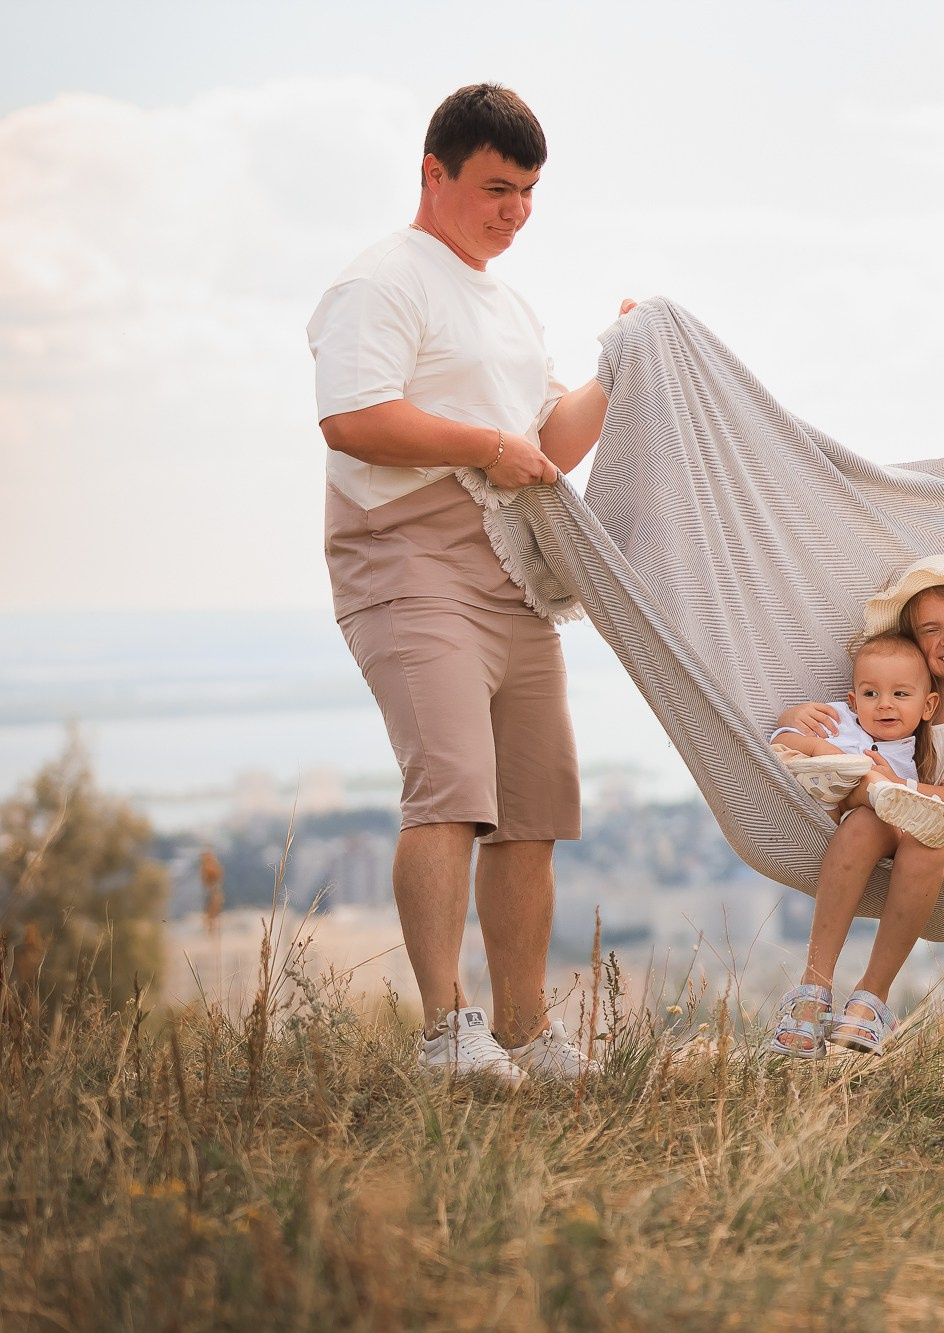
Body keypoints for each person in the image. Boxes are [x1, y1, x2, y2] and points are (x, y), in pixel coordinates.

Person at [307, 84, 627, 1086]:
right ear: (432, 173)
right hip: (406, 561)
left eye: (528, 192)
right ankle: (449, 1028)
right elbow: (353, 418)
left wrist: (621, 365)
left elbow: (548, 445)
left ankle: (526, 1032)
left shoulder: (511, 305)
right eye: (496, 187)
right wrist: (492, 445)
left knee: (533, 806)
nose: (514, 212)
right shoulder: (381, 280)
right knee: (450, 786)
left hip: (513, 580)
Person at [767, 557, 944, 1057]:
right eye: (930, 630)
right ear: (914, 641)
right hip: (885, 807)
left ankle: (871, 999)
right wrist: (792, 715)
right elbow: (838, 727)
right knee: (864, 823)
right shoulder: (896, 696)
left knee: (926, 834)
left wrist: (907, 792)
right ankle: (813, 992)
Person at [769, 632, 944, 848]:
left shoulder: (903, 768)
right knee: (784, 756)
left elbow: (893, 830)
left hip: (842, 822)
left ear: (927, 707)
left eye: (900, 694)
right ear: (854, 702)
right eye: (870, 694)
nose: (884, 704)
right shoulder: (836, 718)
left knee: (871, 781)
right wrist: (819, 747)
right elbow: (780, 740)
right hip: (803, 802)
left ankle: (869, 790)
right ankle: (859, 787)